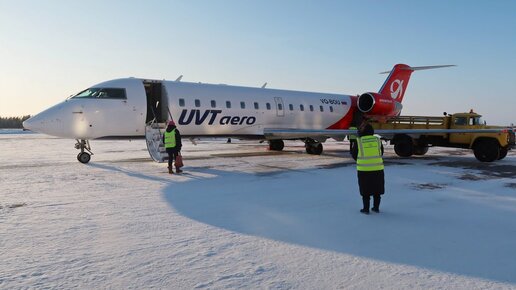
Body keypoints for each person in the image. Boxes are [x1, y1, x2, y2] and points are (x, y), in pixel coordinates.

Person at [356, 123, 384, 214]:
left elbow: (354, 154)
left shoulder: (359, 141)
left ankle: (366, 209)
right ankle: (376, 208)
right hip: (378, 169)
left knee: (365, 191)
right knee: (377, 190)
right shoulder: (377, 140)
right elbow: (381, 152)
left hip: (363, 170)